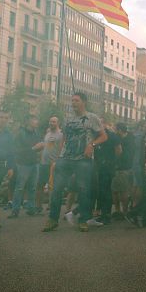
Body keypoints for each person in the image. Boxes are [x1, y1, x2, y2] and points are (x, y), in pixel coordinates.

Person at [43, 92, 108, 233]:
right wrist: (58, 158)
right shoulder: (68, 118)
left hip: (83, 160)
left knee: (84, 190)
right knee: (57, 188)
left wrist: (92, 145)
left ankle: (83, 220)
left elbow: (103, 136)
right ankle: (52, 219)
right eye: (72, 101)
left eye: (76, 100)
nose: (73, 103)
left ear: (83, 102)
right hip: (66, 158)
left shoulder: (92, 118)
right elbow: (64, 138)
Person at [8, 114, 42, 219]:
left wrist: (40, 148)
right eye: (34, 120)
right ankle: (15, 210)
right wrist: (33, 148)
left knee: (32, 188)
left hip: (34, 163)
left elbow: (36, 147)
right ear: (28, 121)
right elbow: (17, 150)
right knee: (19, 187)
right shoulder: (20, 133)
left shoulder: (36, 133)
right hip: (23, 164)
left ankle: (31, 209)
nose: (37, 122)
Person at [33, 116, 63, 215]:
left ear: (58, 123)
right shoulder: (47, 133)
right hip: (43, 163)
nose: (51, 123)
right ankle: (38, 207)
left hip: (53, 164)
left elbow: (62, 149)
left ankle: (52, 206)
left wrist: (58, 161)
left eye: (54, 121)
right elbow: (45, 147)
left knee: (52, 186)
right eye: (50, 121)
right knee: (39, 185)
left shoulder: (61, 134)